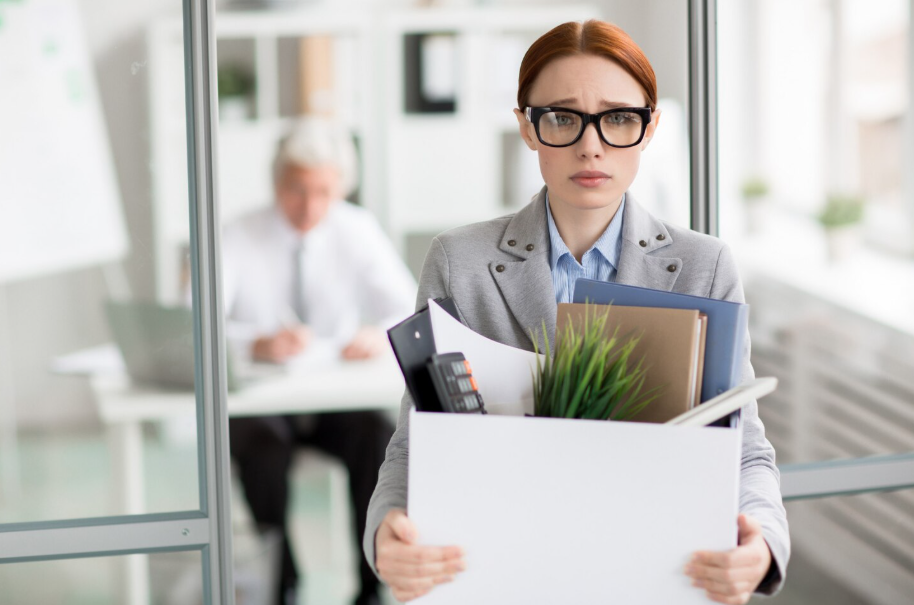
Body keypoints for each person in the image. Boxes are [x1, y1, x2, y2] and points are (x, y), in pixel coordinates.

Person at [364, 20, 790, 605]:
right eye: (563, 118)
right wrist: (386, 528)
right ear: (526, 126)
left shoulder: (705, 266)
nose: (591, 145)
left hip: (656, 573)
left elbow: (745, 450)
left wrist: (762, 543)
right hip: (501, 570)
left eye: (618, 118)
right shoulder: (458, 260)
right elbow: (418, 441)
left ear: (650, 128)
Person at [221, 117, 417, 605]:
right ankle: (282, 584)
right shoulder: (235, 234)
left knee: (375, 439)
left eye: (323, 192)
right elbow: (194, 324)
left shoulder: (356, 228)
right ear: (275, 182)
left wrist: (377, 333)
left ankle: (371, 588)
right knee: (262, 450)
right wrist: (255, 343)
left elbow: (408, 307)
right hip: (264, 400)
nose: (309, 207)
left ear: (341, 189)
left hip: (332, 395)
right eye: (296, 190)